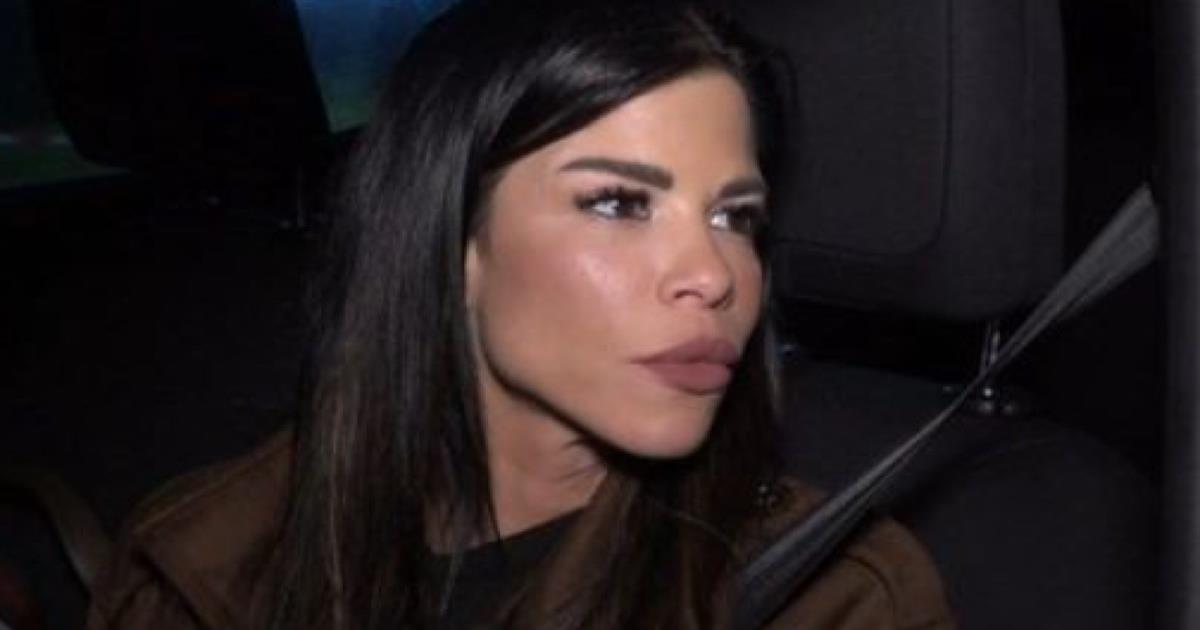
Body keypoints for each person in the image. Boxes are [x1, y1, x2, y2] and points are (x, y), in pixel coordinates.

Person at [86, 0, 956, 628]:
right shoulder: (202, 564)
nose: (713, 274)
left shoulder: (833, 599)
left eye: (736, 217)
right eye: (618, 202)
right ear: (452, 242)